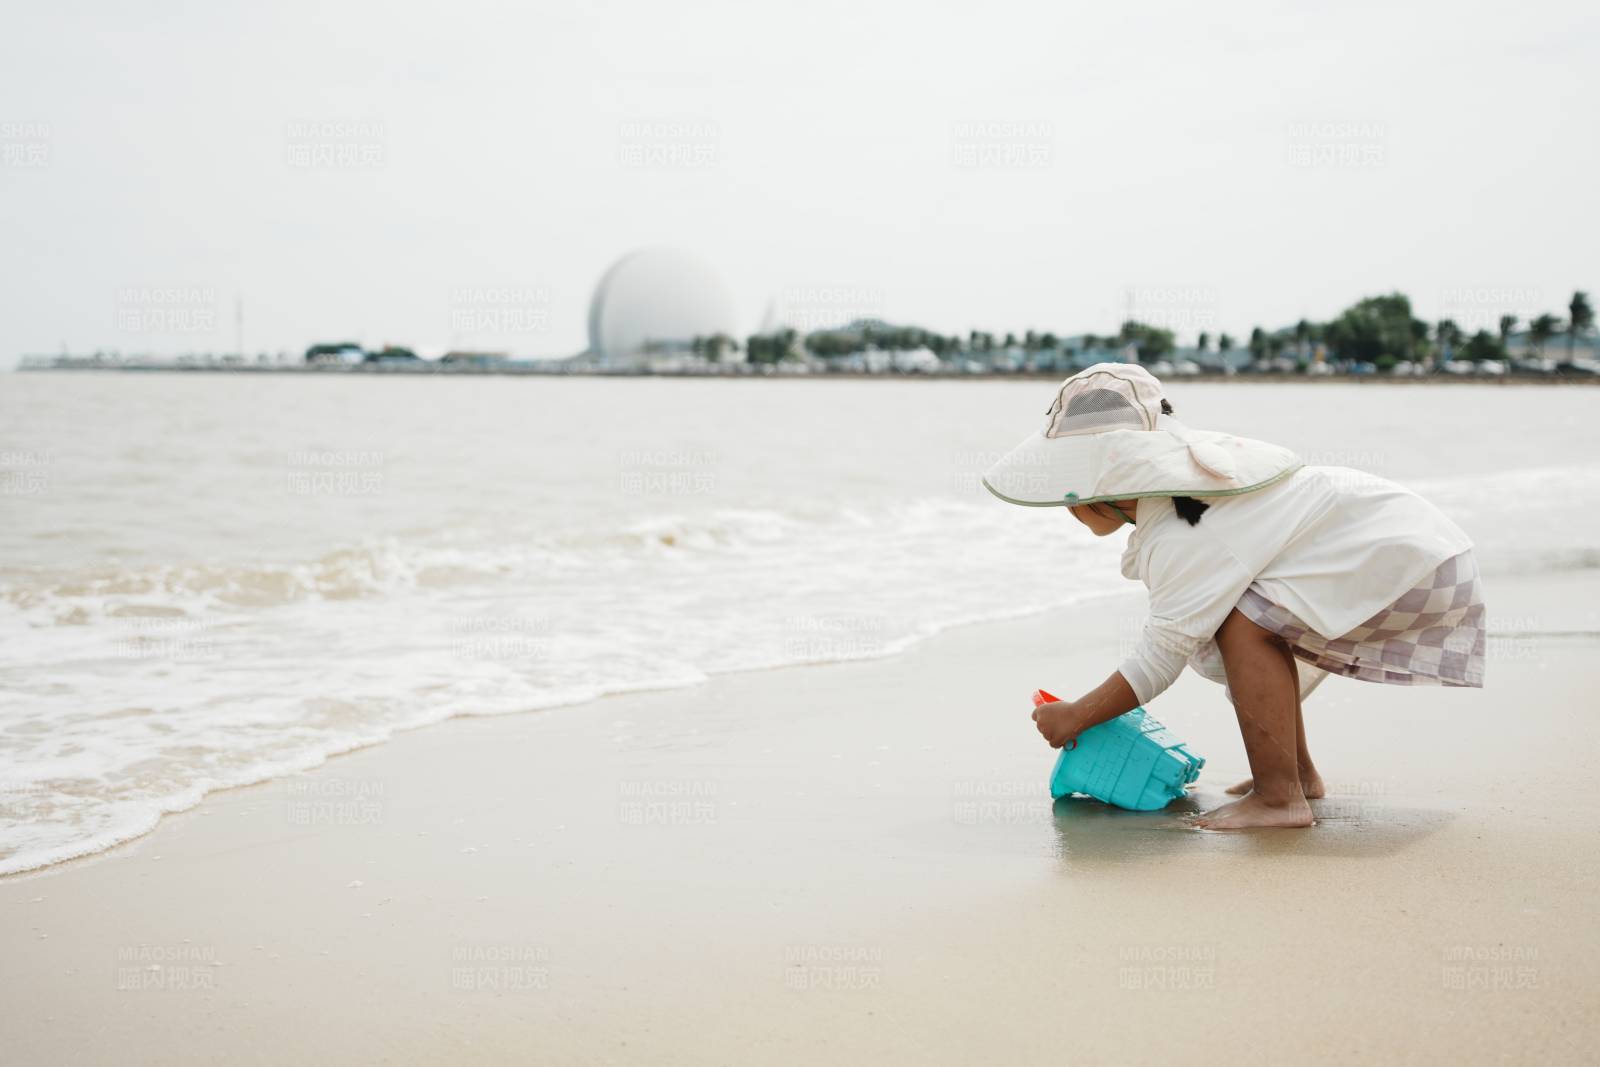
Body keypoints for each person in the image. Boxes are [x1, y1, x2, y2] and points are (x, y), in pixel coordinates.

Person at [982, 363, 1484, 829]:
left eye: (1074, 492)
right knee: (1251, 619)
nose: (1068, 507)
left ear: (1111, 485)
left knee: (1243, 624)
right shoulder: (1185, 499)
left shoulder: (1185, 528)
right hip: (1418, 551)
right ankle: (1296, 778)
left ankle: (1278, 797)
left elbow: (1164, 652)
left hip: (1408, 564)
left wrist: (1079, 714)